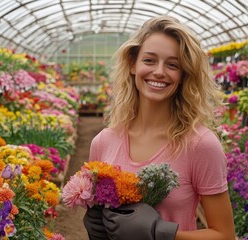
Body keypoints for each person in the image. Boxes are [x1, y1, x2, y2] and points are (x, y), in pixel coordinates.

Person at [83, 15, 235, 240]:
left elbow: (225, 235)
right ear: (133, 64)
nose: (159, 72)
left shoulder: (200, 145)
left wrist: (162, 234)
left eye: (172, 65)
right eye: (150, 60)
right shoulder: (104, 142)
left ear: (183, 75)